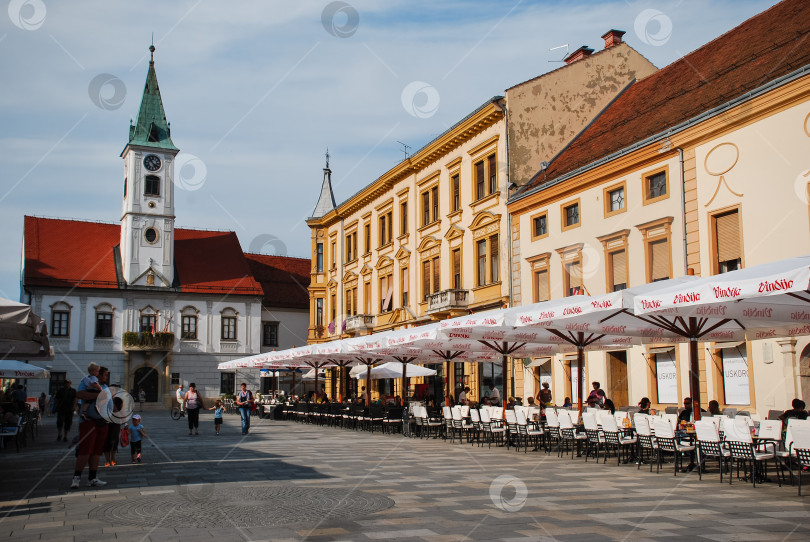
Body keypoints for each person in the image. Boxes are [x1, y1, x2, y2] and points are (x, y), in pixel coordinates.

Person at [70, 366, 110, 489]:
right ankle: (76, 478)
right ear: (98, 375)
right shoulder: (86, 382)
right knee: (85, 451)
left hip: (103, 422)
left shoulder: (105, 387)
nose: (107, 377)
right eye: (105, 375)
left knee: (97, 451)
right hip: (89, 422)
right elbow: (81, 394)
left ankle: (92, 478)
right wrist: (100, 395)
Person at [103, 396, 124, 467]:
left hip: (115, 423)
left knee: (114, 441)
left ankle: (112, 458)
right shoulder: (106, 401)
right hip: (107, 423)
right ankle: (108, 459)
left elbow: (120, 412)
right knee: (108, 441)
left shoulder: (118, 400)